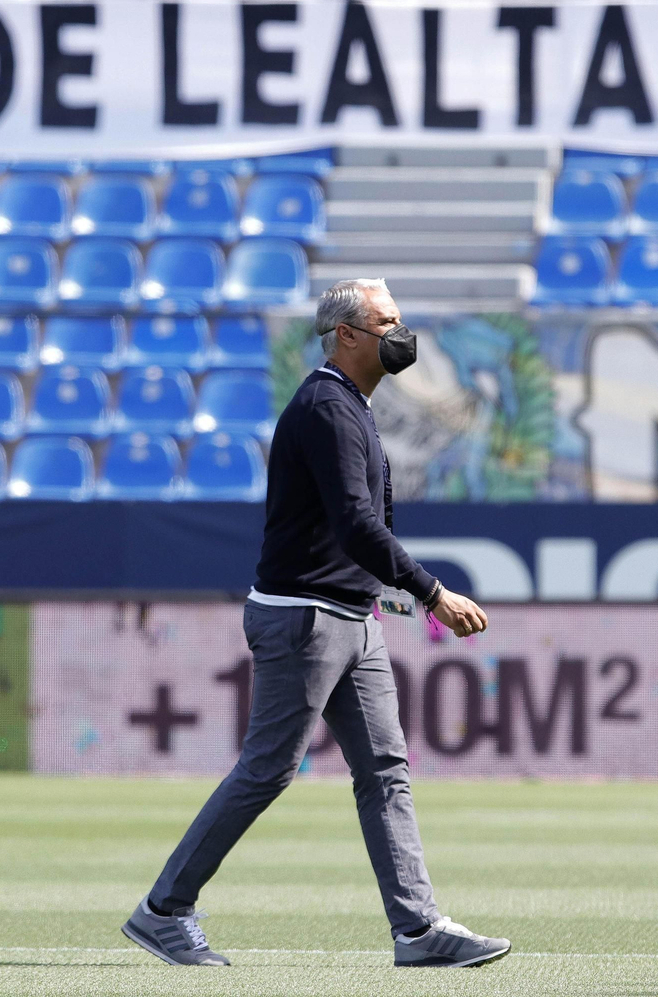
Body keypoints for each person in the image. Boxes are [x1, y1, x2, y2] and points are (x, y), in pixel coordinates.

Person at [122, 279, 509, 969]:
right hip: (304, 619)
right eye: (388, 321)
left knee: (385, 769)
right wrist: (431, 592)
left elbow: (356, 531)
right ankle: (164, 909)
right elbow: (356, 525)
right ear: (349, 335)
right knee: (268, 769)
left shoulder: (348, 404)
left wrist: (380, 597)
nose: (402, 333)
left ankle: (417, 929)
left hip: (347, 617)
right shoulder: (327, 406)